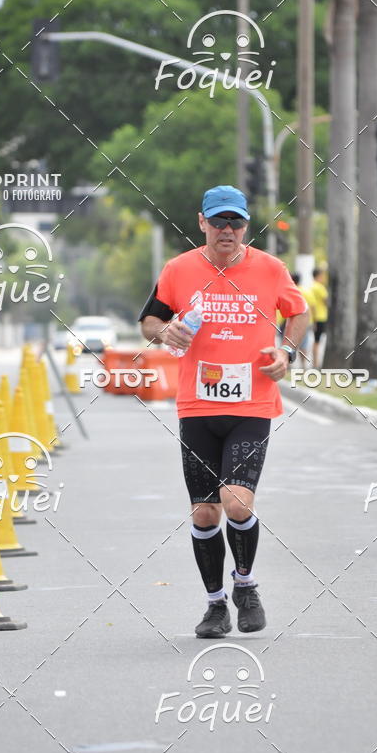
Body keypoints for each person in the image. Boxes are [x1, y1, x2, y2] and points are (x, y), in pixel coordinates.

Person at [139, 185, 309, 637]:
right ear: (202, 223)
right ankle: (215, 605)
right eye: (218, 222)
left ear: (246, 226)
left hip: (252, 403)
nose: (227, 231)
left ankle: (246, 584)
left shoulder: (270, 269)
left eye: (235, 223)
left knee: (236, 502)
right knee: (204, 513)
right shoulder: (179, 270)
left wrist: (287, 352)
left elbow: (299, 313)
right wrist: (166, 332)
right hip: (197, 405)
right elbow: (149, 320)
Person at [309, 265, 329, 366]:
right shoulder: (320, 287)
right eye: (323, 275)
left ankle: (315, 363)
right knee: (317, 341)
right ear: (319, 276)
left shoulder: (311, 286)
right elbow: (326, 302)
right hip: (321, 317)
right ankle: (316, 364)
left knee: (316, 341)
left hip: (314, 318)